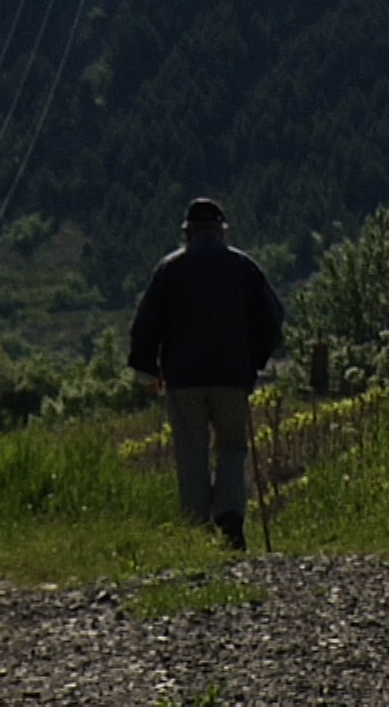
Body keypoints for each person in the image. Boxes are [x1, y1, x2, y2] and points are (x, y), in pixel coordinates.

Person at [127, 197, 284, 550]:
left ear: (189, 232)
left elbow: (146, 324)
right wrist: (253, 361)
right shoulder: (243, 268)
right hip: (231, 376)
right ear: (222, 231)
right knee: (232, 447)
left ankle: (198, 530)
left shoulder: (170, 269)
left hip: (183, 379)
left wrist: (146, 369)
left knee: (192, 451)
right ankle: (229, 516)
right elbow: (273, 321)